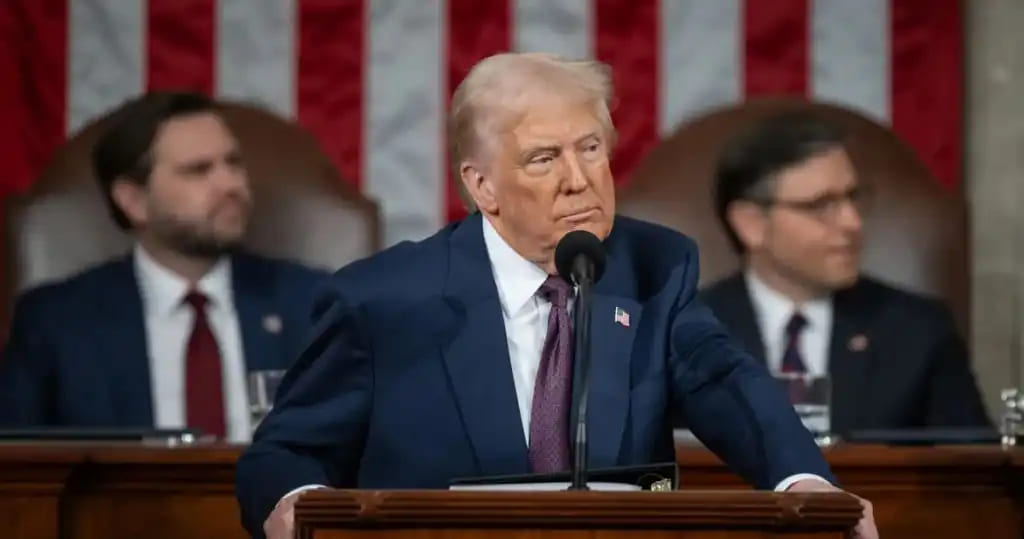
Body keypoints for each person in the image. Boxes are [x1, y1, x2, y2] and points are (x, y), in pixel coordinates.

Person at [235, 53, 877, 539]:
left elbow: (728, 385)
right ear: (482, 187)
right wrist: (300, 503)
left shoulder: (654, 268)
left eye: (591, 149)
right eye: (544, 159)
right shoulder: (380, 301)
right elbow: (284, 453)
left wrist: (807, 486)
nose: (579, 181)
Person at [0, 91, 329, 443]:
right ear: (134, 201)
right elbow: (19, 478)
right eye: (198, 170)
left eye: (234, 164)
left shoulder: (313, 304)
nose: (231, 185)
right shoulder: (57, 323)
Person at [699, 111, 990, 435]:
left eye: (853, 197)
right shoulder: (675, 334)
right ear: (751, 224)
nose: (853, 222)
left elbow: (975, 475)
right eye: (821, 205)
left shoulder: (919, 332)